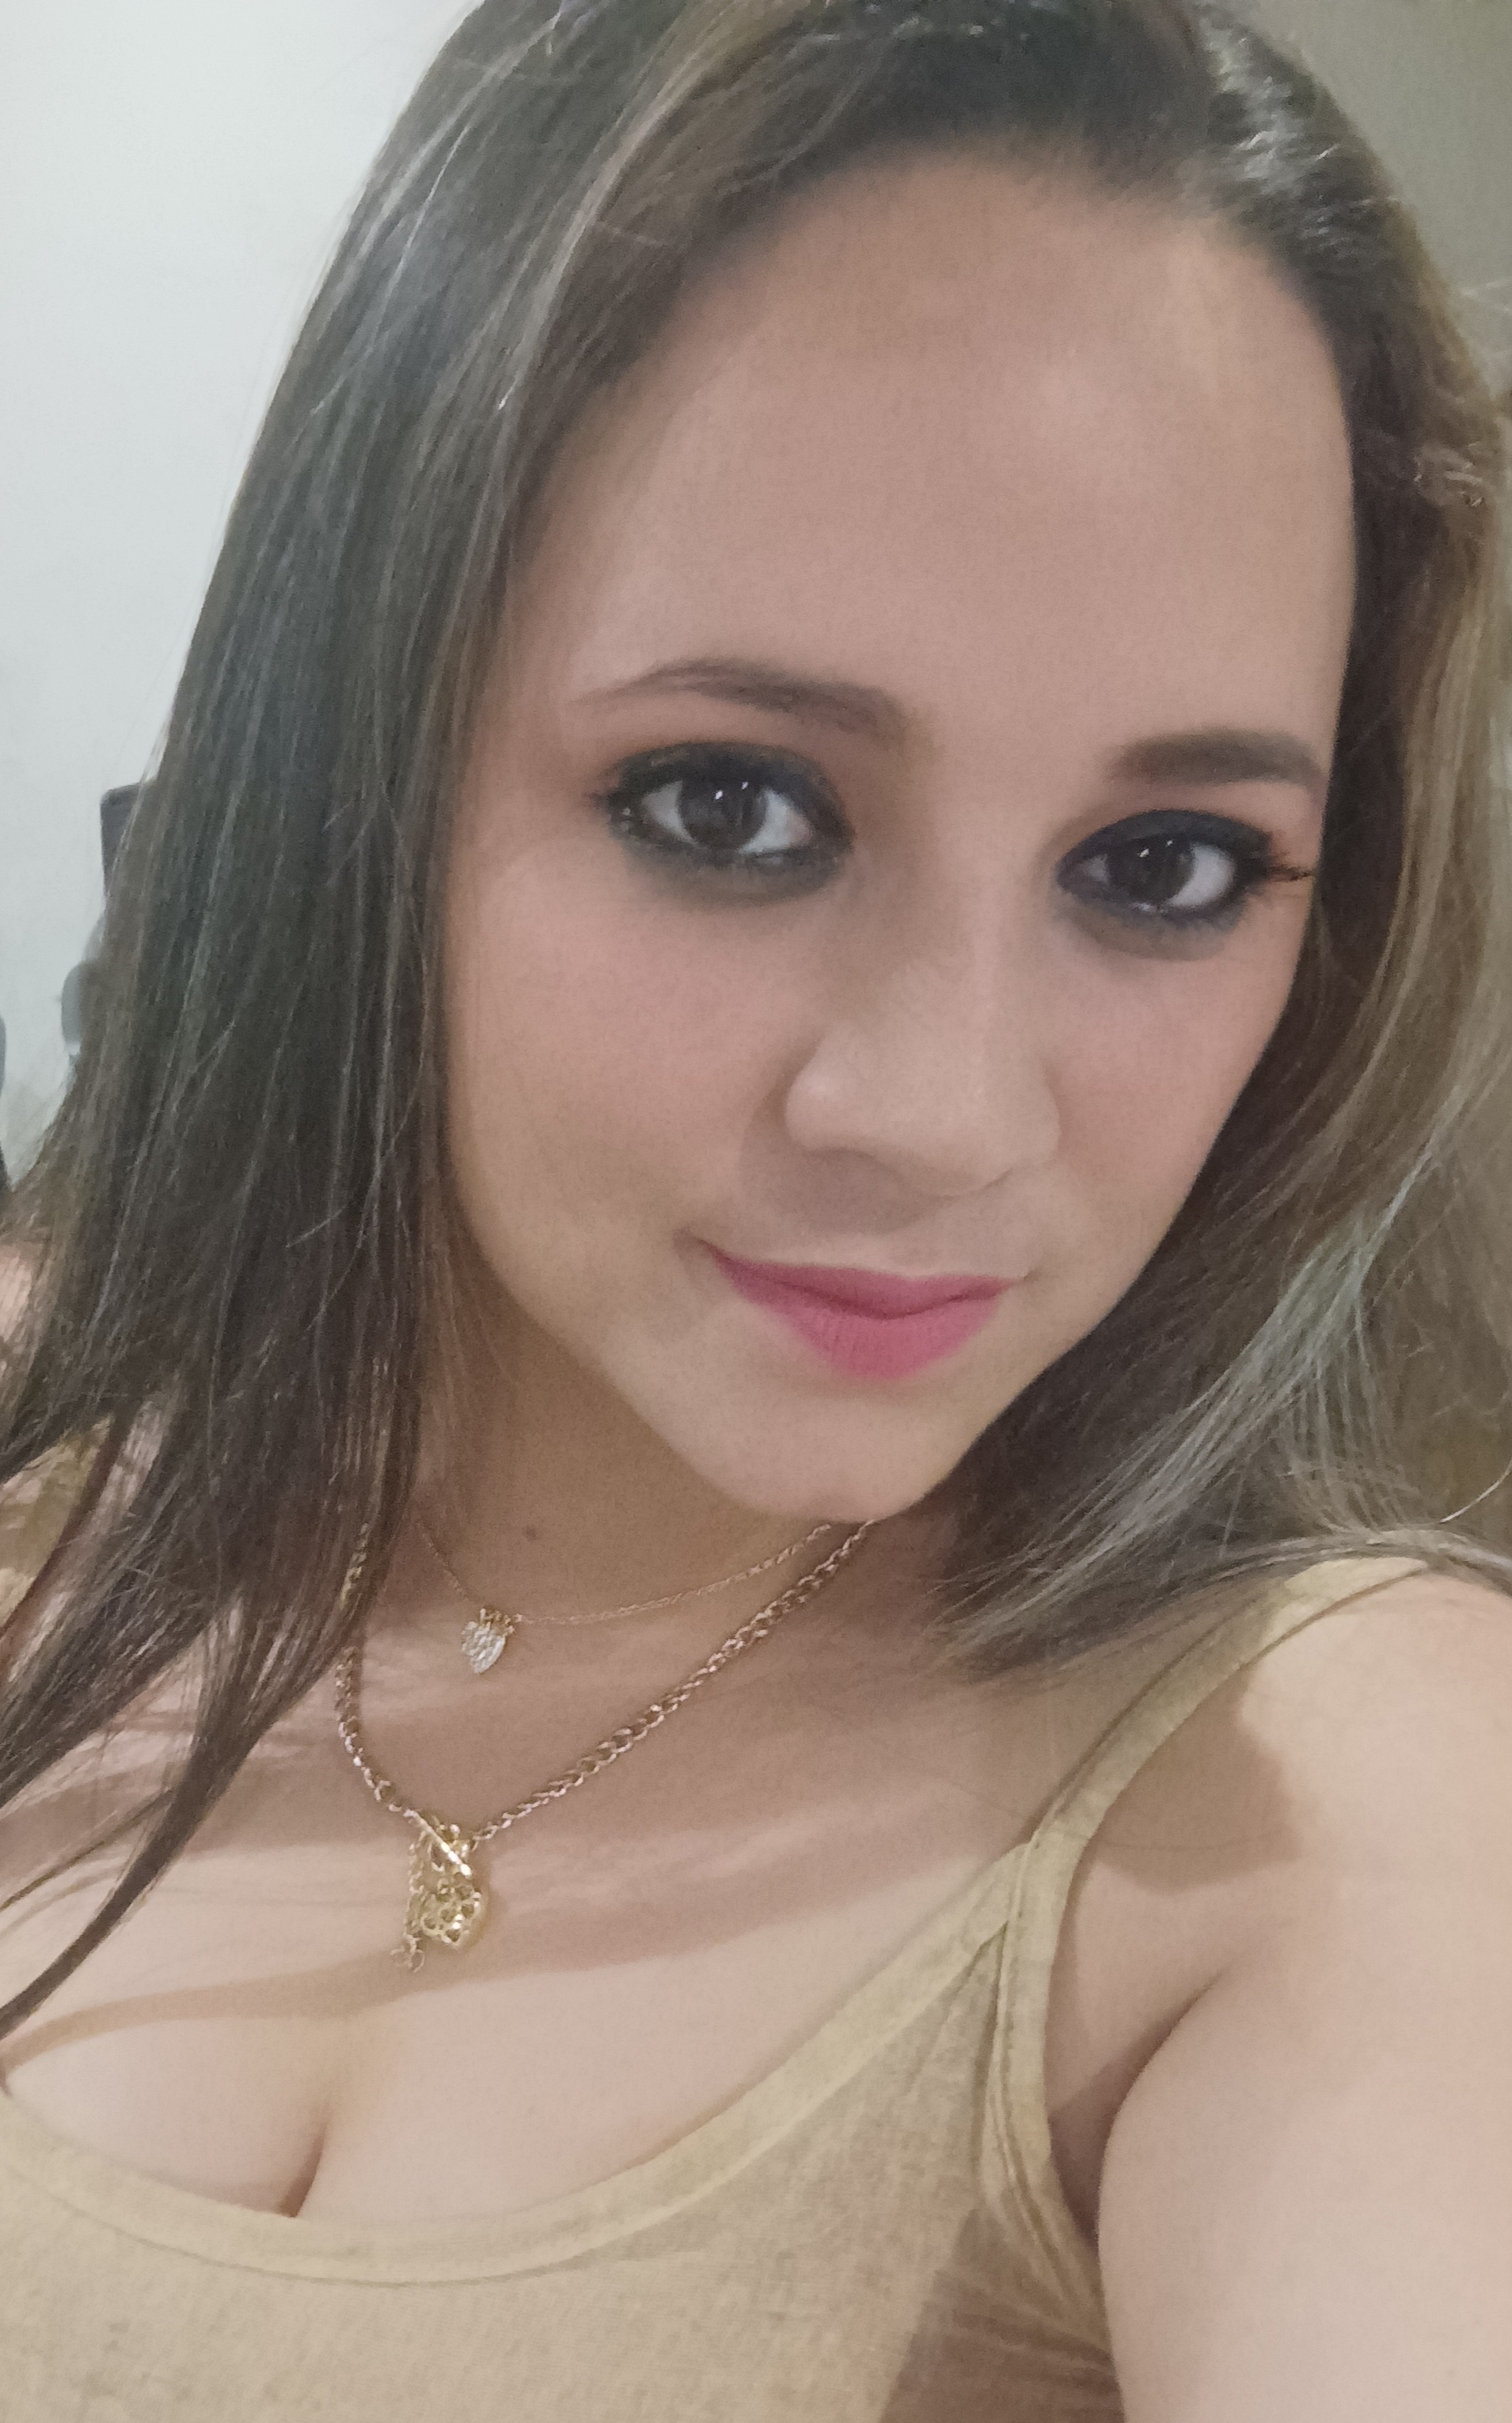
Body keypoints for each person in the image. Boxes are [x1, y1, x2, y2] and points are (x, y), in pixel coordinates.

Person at [1, 1, 1510, 2413]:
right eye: (731, 807)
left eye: (1164, 865)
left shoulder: (1336, 1801)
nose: (939, 1111)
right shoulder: (57, 1478)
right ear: (359, 761)